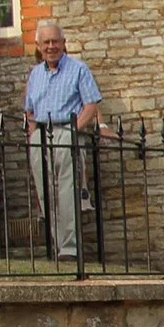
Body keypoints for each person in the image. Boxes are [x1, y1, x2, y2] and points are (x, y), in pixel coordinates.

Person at [24, 20, 101, 260]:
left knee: (68, 192)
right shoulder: (35, 74)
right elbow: (29, 111)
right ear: (38, 45)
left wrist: (72, 130)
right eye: (45, 42)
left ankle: (69, 249)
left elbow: (91, 106)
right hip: (41, 135)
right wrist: (32, 137)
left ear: (63, 43)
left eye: (55, 41)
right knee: (46, 192)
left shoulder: (78, 69)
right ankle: (56, 246)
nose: (50, 46)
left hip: (67, 131)